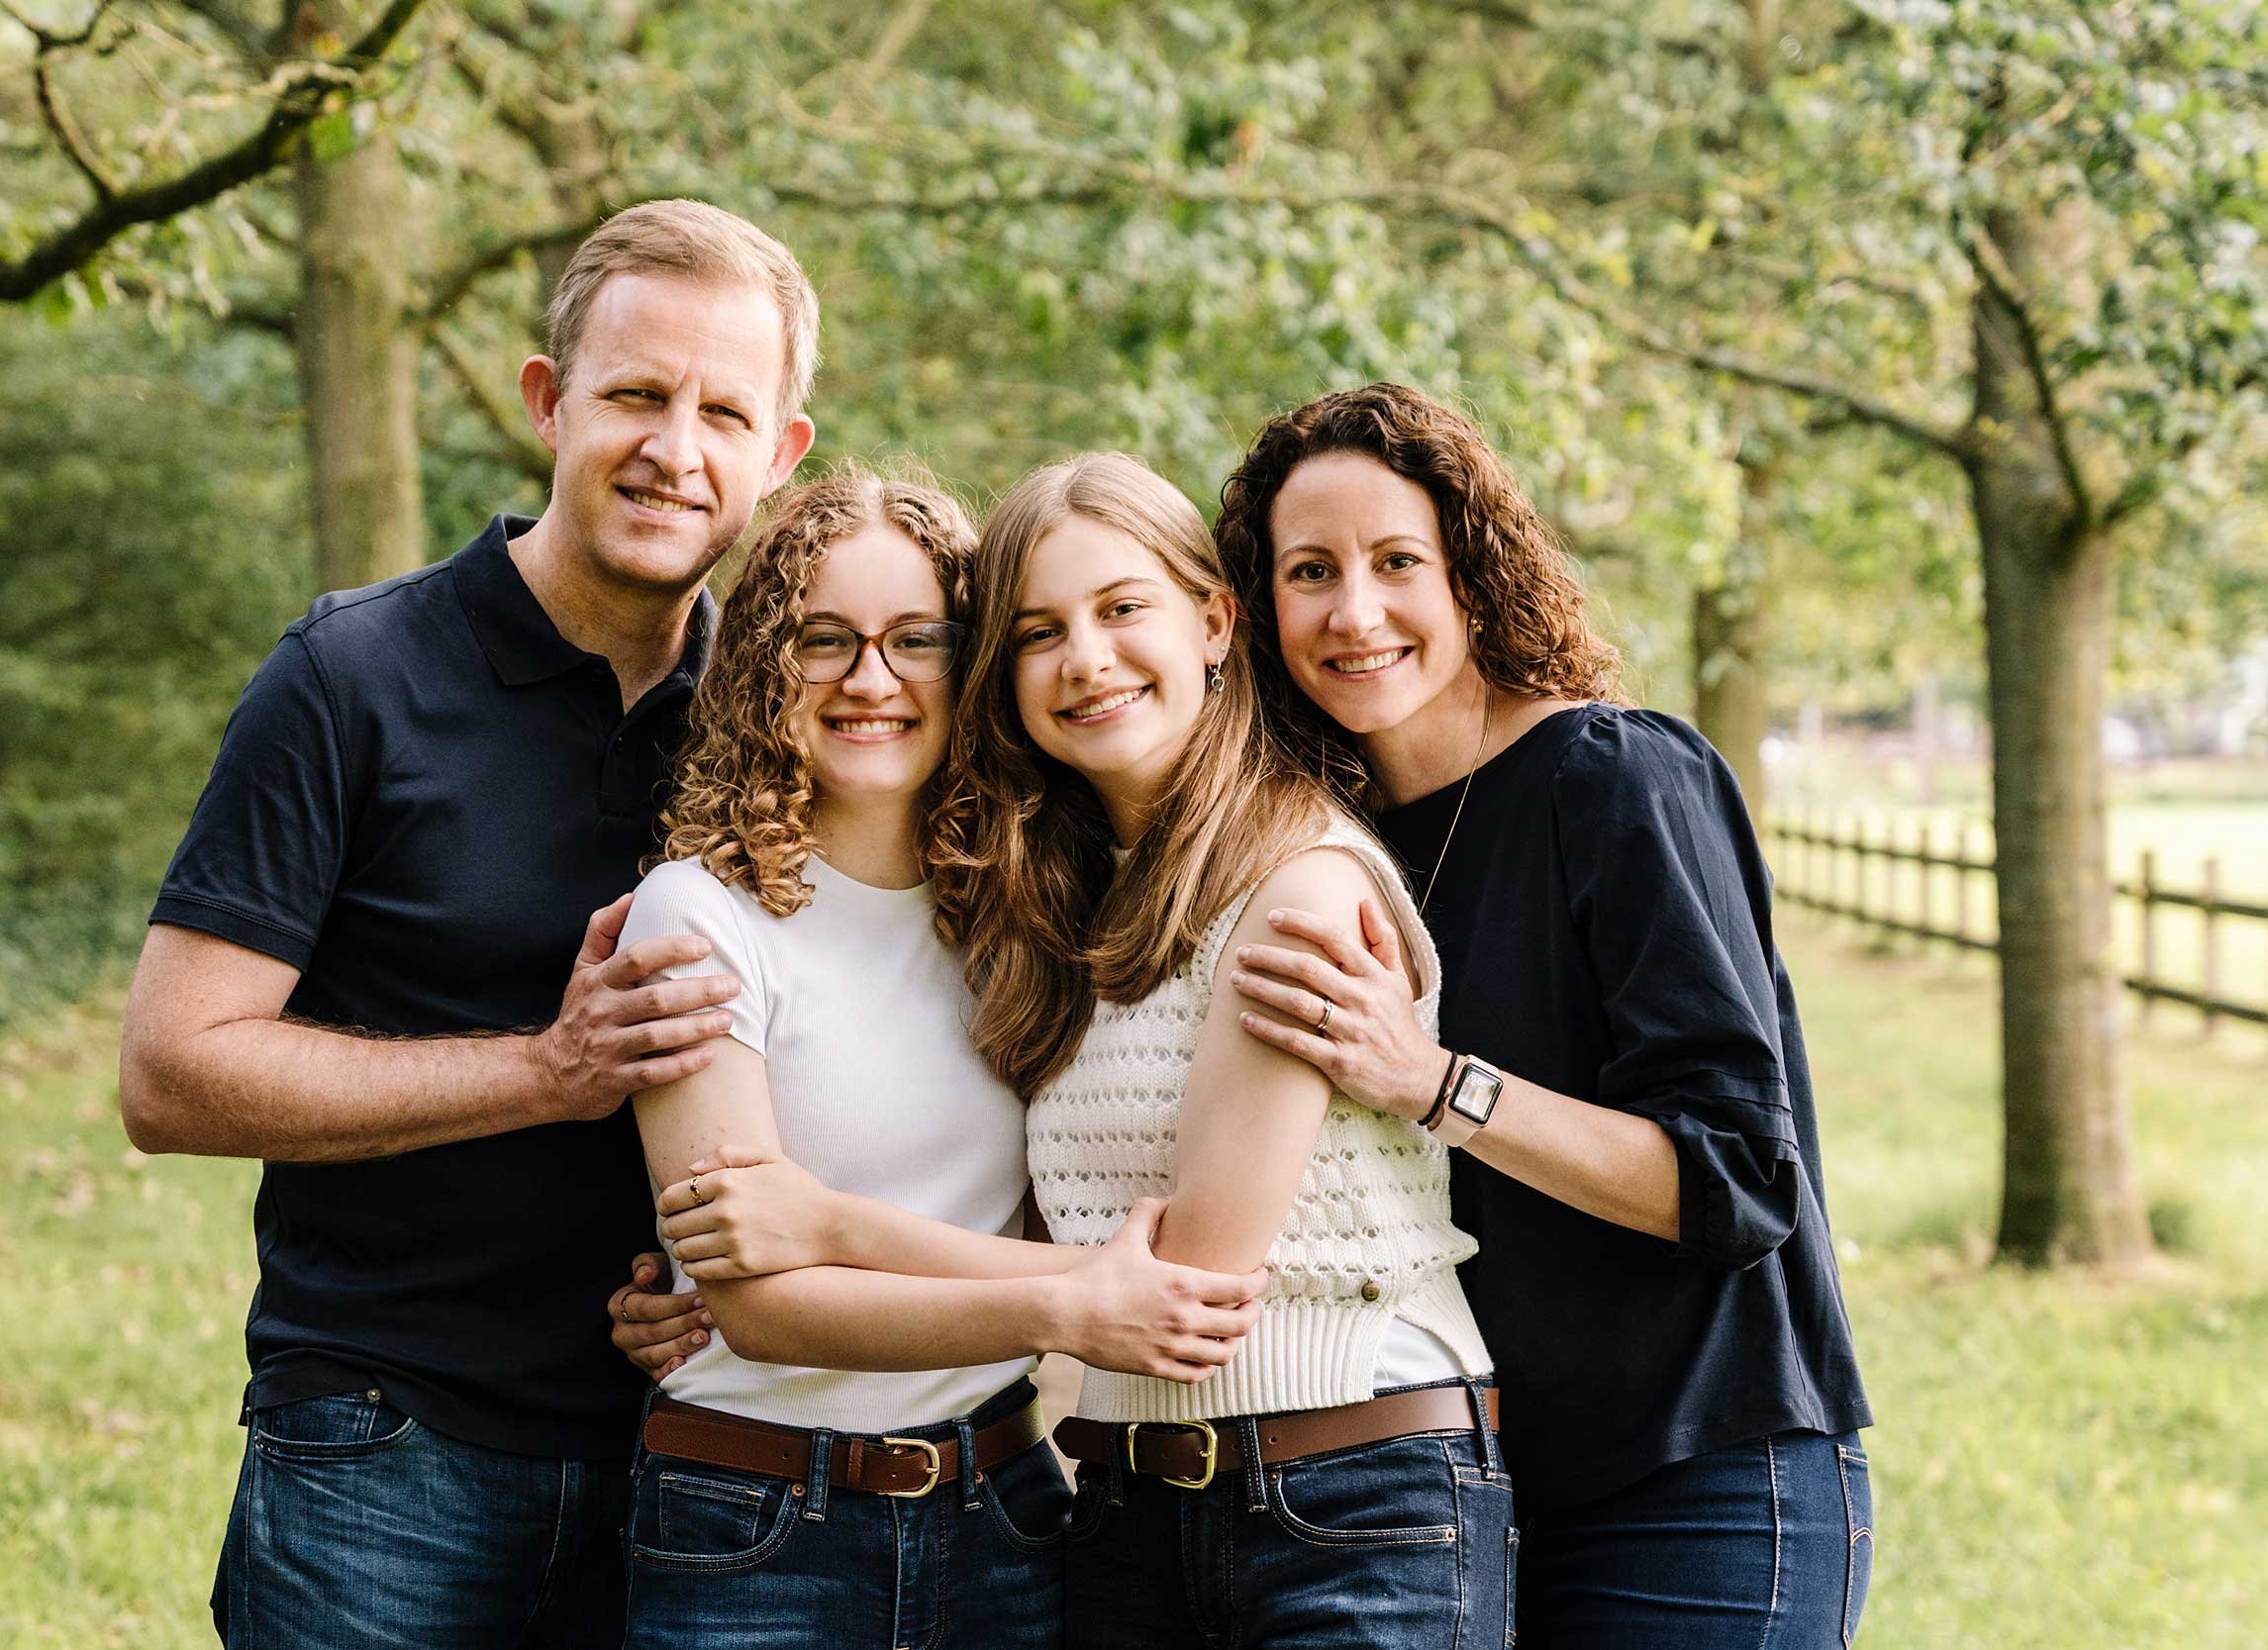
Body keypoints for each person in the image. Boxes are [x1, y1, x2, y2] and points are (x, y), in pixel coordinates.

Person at [117, 199, 816, 1646]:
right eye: (635, 394)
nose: (674, 449)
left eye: (723, 412)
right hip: (387, 1442)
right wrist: (543, 1069)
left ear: (781, 455)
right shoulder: (351, 676)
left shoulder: (782, 719)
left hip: (693, 1456)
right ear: (549, 403)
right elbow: (172, 1071)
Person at [1212, 382, 1874, 1648]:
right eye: (1310, 571)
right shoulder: (1325, 841)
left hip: (1700, 1483)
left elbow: (1735, 1180)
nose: (1355, 612)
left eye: (1397, 560)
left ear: (1472, 569)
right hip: (1467, 1487)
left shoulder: (1617, 776)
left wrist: (1435, 1079)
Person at [614, 463, 1270, 1649]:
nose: (872, 679)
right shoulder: (696, 916)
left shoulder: (1022, 910)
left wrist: (853, 1230)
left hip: (1006, 1514)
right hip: (761, 1523)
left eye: (917, 637)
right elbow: (761, 1307)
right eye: (823, 640)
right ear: (764, 662)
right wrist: (1072, 1307)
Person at [961, 451, 1513, 1648]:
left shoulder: (1296, 881)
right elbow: (1028, 1235)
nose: (1086, 659)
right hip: (1123, 1503)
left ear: (1213, 618)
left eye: (1121, 609)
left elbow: (1193, 1279)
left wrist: (817, 1255)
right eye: (1036, 632)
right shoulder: (1061, 909)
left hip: (1350, 1496)